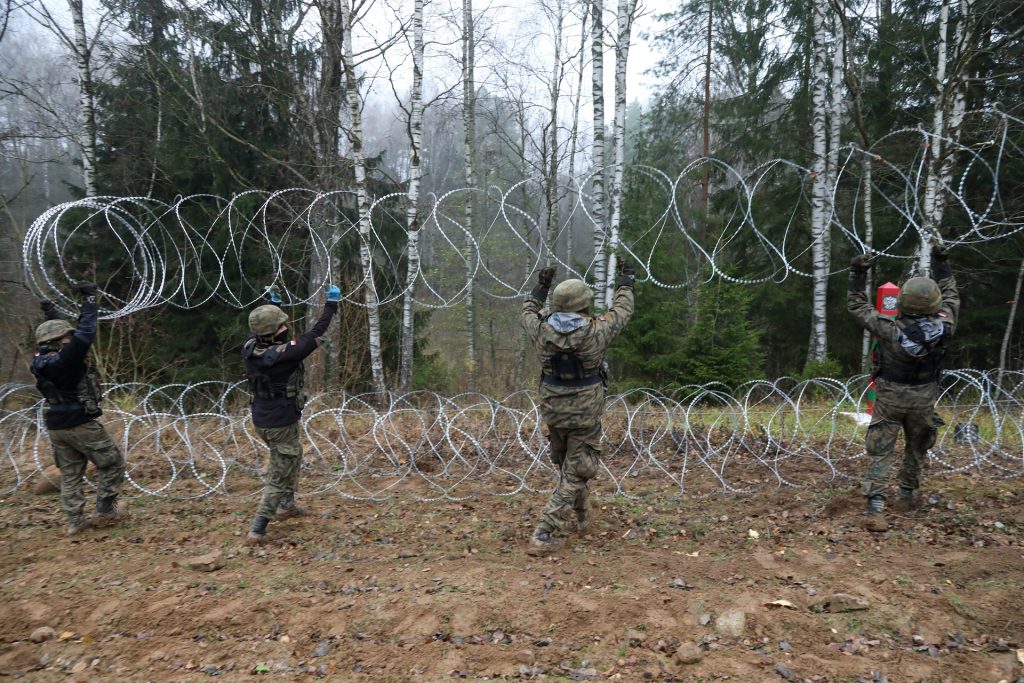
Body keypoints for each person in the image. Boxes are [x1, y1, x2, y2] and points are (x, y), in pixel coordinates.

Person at [521, 261, 635, 554]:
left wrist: (541, 287)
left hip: (553, 409)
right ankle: (544, 532)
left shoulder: (541, 330)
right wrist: (626, 282)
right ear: (584, 304)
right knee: (576, 471)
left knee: (570, 468)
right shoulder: (597, 331)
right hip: (585, 412)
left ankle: (583, 517)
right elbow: (623, 310)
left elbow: (528, 311)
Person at [848, 244, 959, 532]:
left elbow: (857, 305)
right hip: (924, 395)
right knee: (917, 444)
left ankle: (876, 504)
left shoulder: (888, 328)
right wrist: (941, 262)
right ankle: (907, 494)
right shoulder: (946, 325)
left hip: (890, 395)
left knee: (881, 448)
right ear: (934, 303)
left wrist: (858, 273)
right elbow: (951, 294)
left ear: (903, 301)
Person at [243, 284, 340, 544]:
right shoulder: (287, 354)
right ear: (273, 333)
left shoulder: (251, 347)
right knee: (280, 470)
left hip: (264, 418)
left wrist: (274, 305)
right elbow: (315, 332)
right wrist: (331, 305)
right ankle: (258, 528)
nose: (286, 328)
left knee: (293, 455)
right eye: (282, 326)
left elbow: (266, 329)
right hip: (280, 422)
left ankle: (287, 504)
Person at [31, 283, 128, 535]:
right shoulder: (66, 360)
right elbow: (86, 332)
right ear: (57, 341)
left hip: (56, 425)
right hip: (79, 422)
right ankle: (106, 510)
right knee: (113, 463)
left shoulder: (40, 361)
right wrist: (90, 300)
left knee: (71, 474)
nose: (71, 339)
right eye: (67, 336)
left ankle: (75, 521)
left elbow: (54, 336)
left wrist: (50, 315)